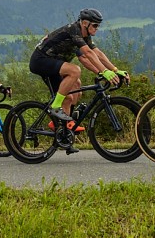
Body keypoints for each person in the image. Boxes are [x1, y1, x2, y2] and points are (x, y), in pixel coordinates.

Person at [28, 9, 128, 147]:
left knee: (75, 88)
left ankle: (64, 130)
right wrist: (104, 71)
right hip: (40, 61)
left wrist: (114, 70)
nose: (97, 29)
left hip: (52, 64)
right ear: (85, 23)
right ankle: (55, 106)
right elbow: (87, 53)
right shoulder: (73, 30)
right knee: (74, 71)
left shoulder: (83, 35)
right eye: (95, 26)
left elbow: (93, 54)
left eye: (98, 26)